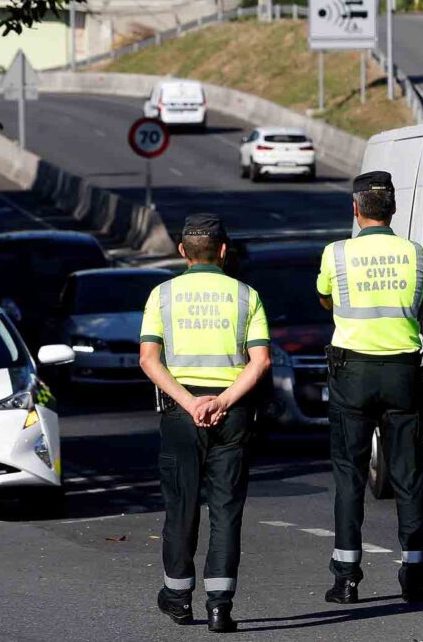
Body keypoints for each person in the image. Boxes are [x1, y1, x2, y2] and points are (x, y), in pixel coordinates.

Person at [139, 213, 271, 633]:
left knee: (181, 508)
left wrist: (190, 402)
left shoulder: (162, 296)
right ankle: (220, 605)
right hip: (231, 413)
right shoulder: (247, 296)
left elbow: (148, 359)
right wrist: (224, 400)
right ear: (224, 251)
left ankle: (178, 598)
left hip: (182, 414)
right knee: (226, 511)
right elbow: (261, 361)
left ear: (182, 252)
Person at [315, 171, 423, 605]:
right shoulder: (417, 255)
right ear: (394, 209)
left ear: (356, 208)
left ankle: (346, 577)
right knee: (407, 474)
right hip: (402, 371)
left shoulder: (337, 254)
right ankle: (414, 571)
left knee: (349, 474)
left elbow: (325, 298)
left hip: (353, 372)